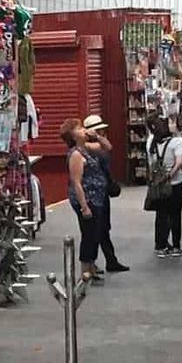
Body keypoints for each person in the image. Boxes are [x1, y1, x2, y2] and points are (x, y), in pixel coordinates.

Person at [80, 113, 129, 274]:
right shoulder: (86, 147)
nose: (102, 133)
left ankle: (109, 260)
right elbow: (106, 149)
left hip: (102, 191)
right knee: (95, 230)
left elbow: (108, 147)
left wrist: (98, 137)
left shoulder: (99, 144)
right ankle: (96, 263)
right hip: (92, 194)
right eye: (99, 130)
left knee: (103, 228)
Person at [62, 117, 107, 283]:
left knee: (96, 232)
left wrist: (97, 136)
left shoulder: (86, 148)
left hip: (96, 196)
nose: (83, 130)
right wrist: (84, 206)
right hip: (86, 198)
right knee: (88, 233)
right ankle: (85, 270)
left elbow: (107, 147)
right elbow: (76, 182)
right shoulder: (76, 154)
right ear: (73, 136)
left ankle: (91, 265)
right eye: (79, 129)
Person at [146, 116, 182, 258]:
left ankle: (161, 245)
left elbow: (151, 165)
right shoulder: (175, 142)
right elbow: (179, 162)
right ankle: (176, 246)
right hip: (176, 184)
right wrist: (170, 175)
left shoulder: (151, 145)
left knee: (161, 215)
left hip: (160, 186)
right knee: (175, 215)